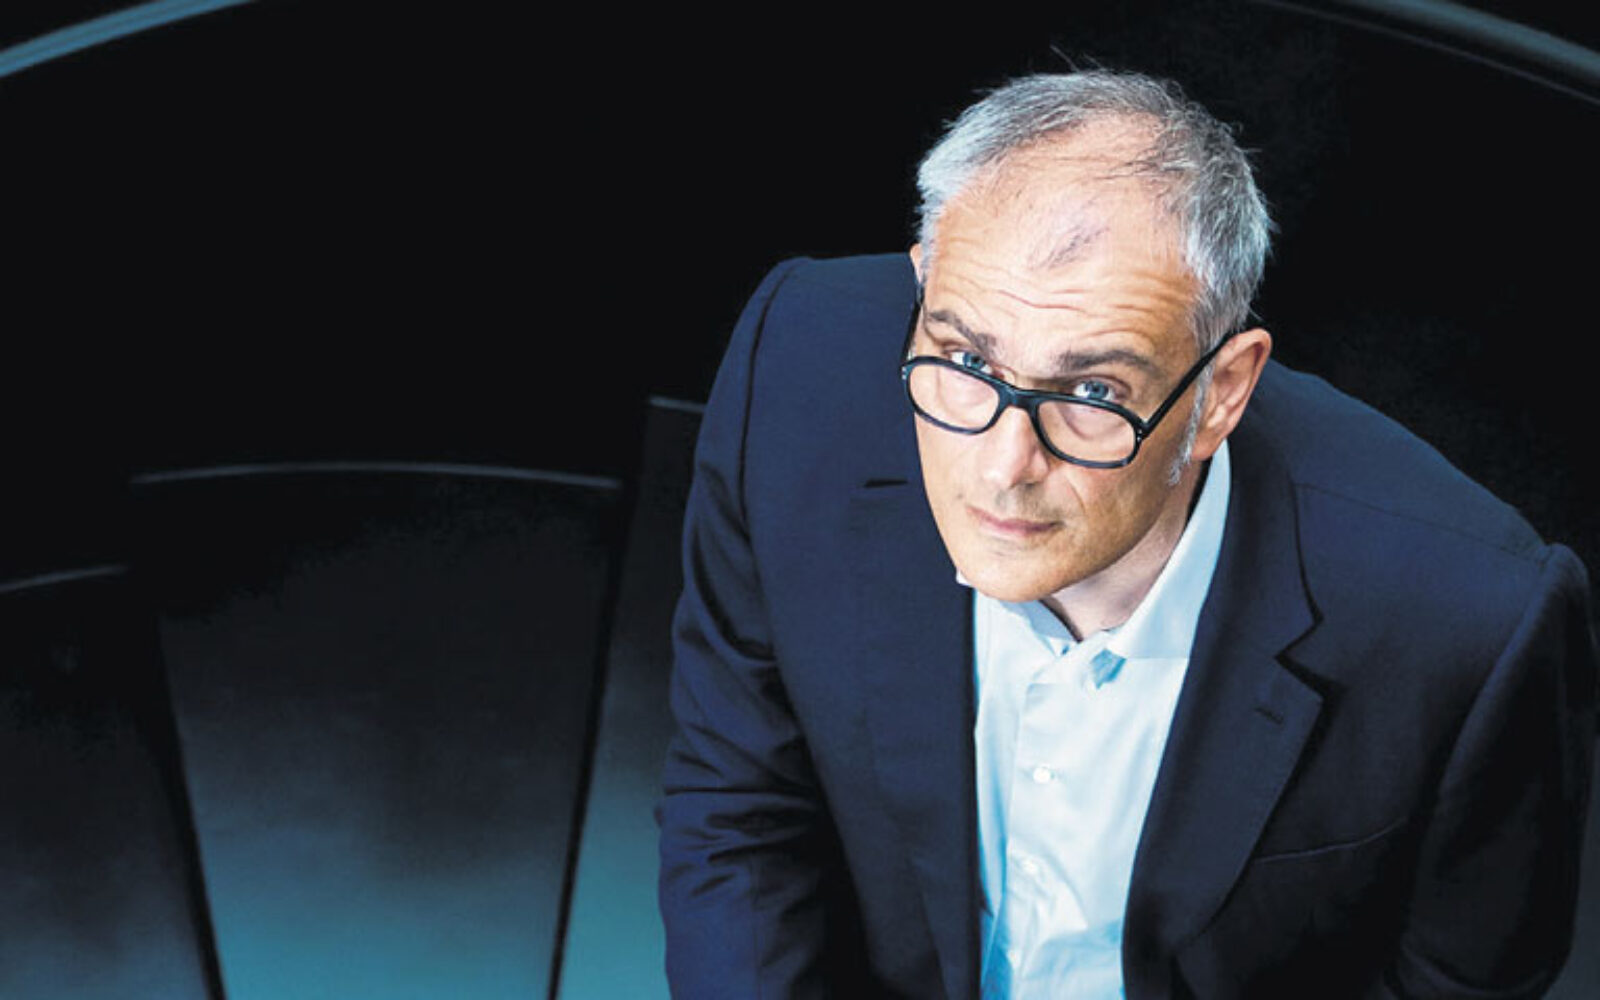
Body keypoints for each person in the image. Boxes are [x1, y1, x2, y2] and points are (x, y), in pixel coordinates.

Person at [657, 70, 1597, 999]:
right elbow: (740, 805)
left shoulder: (1471, 624)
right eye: (967, 357)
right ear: (921, 287)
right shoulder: (796, 370)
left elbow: (1460, 981)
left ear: (1223, 392)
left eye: (1093, 392)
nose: (1004, 465)